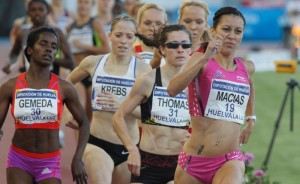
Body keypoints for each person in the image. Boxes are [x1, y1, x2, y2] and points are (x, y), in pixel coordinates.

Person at [167, 7, 256, 184]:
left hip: (229, 159)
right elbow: (172, 89)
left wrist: (251, 119)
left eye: (238, 31)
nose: (232, 35)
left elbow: (250, 86)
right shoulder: (199, 59)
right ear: (213, 30)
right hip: (193, 162)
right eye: (226, 29)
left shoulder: (246, 67)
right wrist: (205, 58)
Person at [66, 15, 151, 184]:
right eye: (119, 35)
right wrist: (66, 111)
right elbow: (65, 84)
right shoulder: (92, 62)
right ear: (109, 35)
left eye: (129, 36)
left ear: (135, 39)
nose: (123, 41)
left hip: (128, 146)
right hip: (97, 142)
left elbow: (151, 116)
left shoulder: (143, 69)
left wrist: (122, 106)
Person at [0, 26, 90, 184]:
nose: (49, 49)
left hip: (49, 160)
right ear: (29, 50)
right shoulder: (10, 86)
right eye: (43, 44)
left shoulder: (64, 87)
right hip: (19, 159)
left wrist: (77, 158)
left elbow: (84, 122)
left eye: (54, 46)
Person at [112, 24, 192, 184]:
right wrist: (132, 148)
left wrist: (196, 137)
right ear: (162, 49)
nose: (180, 49)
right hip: (148, 163)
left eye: (185, 45)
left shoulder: (197, 84)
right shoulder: (148, 80)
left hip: (182, 164)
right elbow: (118, 117)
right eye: (174, 45)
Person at [2, 0, 74, 75]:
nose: (37, 13)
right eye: (33, 10)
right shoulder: (23, 33)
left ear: (47, 11)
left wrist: (48, 57)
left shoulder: (56, 32)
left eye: (41, 9)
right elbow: (14, 52)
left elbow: (71, 63)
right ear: (28, 13)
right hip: (29, 78)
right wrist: (9, 64)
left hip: (50, 79)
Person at [66, 0, 110, 121]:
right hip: (75, 72)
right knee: (77, 114)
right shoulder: (70, 27)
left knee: (90, 114)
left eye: (86, 2)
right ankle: (78, 139)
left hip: (91, 72)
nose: (82, 5)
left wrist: (83, 46)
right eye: (80, 2)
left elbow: (106, 49)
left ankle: (88, 138)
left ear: (91, 6)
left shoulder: (95, 24)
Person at [150, 0, 210, 69]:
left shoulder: (212, 51)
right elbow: (150, 74)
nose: (193, 27)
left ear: (205, 25)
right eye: (187, 21)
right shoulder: (165, 47)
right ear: (179, 22)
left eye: (199, 22)